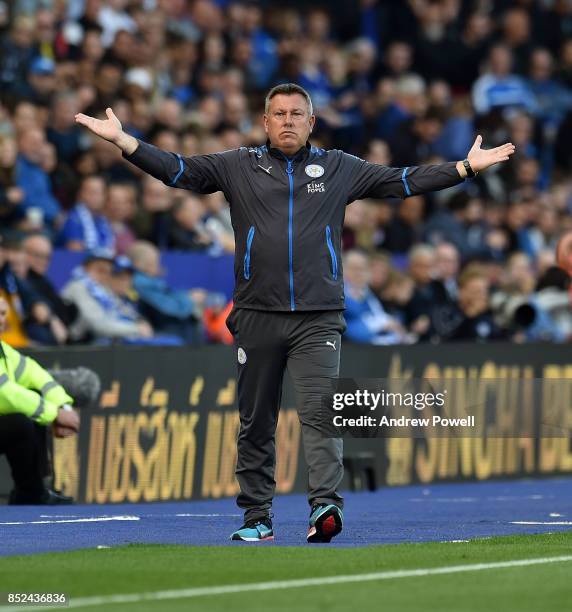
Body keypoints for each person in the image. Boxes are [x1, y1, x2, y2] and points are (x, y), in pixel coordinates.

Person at [76, 82, 515, 543]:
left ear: (312, 122)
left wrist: (464, 168)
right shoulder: (237, 165)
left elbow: (400, 181)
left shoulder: (340, 167)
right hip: (255, 314)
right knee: (256, 420)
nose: (287, 121)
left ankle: (325, 506)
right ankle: (257, 518)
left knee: (322, 413)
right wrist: (126, 142)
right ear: (265, 122)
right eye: (279, 114)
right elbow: (179, 171)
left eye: (296, 114)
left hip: (318, 315)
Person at [0, 296, 80, 504]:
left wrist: (64, 407)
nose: (2, 319)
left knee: (34, 407)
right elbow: (6, 394)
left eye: (3, 314)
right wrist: (54, 414)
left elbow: (38, 376)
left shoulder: (4, 351)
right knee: (22, 419)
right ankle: (31, 491)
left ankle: (33, 490)